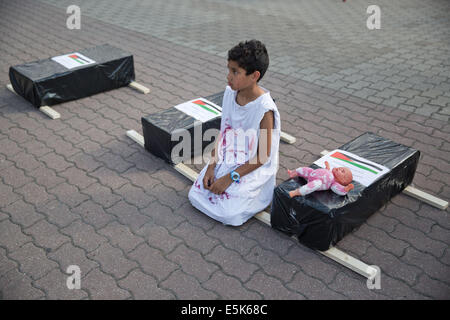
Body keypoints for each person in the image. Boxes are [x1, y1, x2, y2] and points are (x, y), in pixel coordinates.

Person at [188, 39, 281, 226]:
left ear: (254, 75)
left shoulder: (265, 109)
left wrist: (230, 178)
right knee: (195, 195)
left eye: (235, 72)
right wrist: (212, 166)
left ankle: (257, 195)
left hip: (251, 165)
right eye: (229, 70)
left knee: (231, 215)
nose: (228, 77)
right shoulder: (230, 93)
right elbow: (224, 133)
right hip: (228, 156)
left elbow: (262, 157)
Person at [287, 161, 354, 197]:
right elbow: (326, 170)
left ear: (342, 180)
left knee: (315, 184)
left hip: (318, 182)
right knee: (305, 169)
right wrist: (327, 166)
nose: (340, 168)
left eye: (342, 171)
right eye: (341, 168)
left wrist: (345, 189)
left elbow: (338, 190)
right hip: (312, 174)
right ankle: (293, 173)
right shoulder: (330, 172)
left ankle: (297, 192)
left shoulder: (334, 183)